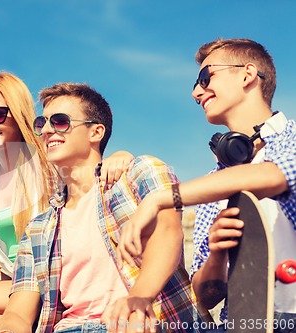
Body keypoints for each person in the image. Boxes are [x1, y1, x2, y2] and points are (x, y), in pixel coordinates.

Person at [0, 82, 212, 333]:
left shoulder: (140, 173)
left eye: (60, 121)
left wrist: (136, 300)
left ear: (96, 132)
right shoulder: (37, 229)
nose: (47, 131)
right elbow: (18, 311)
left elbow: (169, 233)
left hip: (148, 324)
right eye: (41, 124)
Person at [116, 38, 296, 332]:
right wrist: (217, 252)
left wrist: (162, 198)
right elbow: (204, 295)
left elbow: (274, 176)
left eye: (204, 77)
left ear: (247, 74)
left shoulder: (292, 139)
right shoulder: (212, 185)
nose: (196, 92)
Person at [0, 72, 135, 333]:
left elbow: (90, 170)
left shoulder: (49, 160)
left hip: (48, 280)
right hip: (11, 280)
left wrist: (123, 155)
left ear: (18, 113)